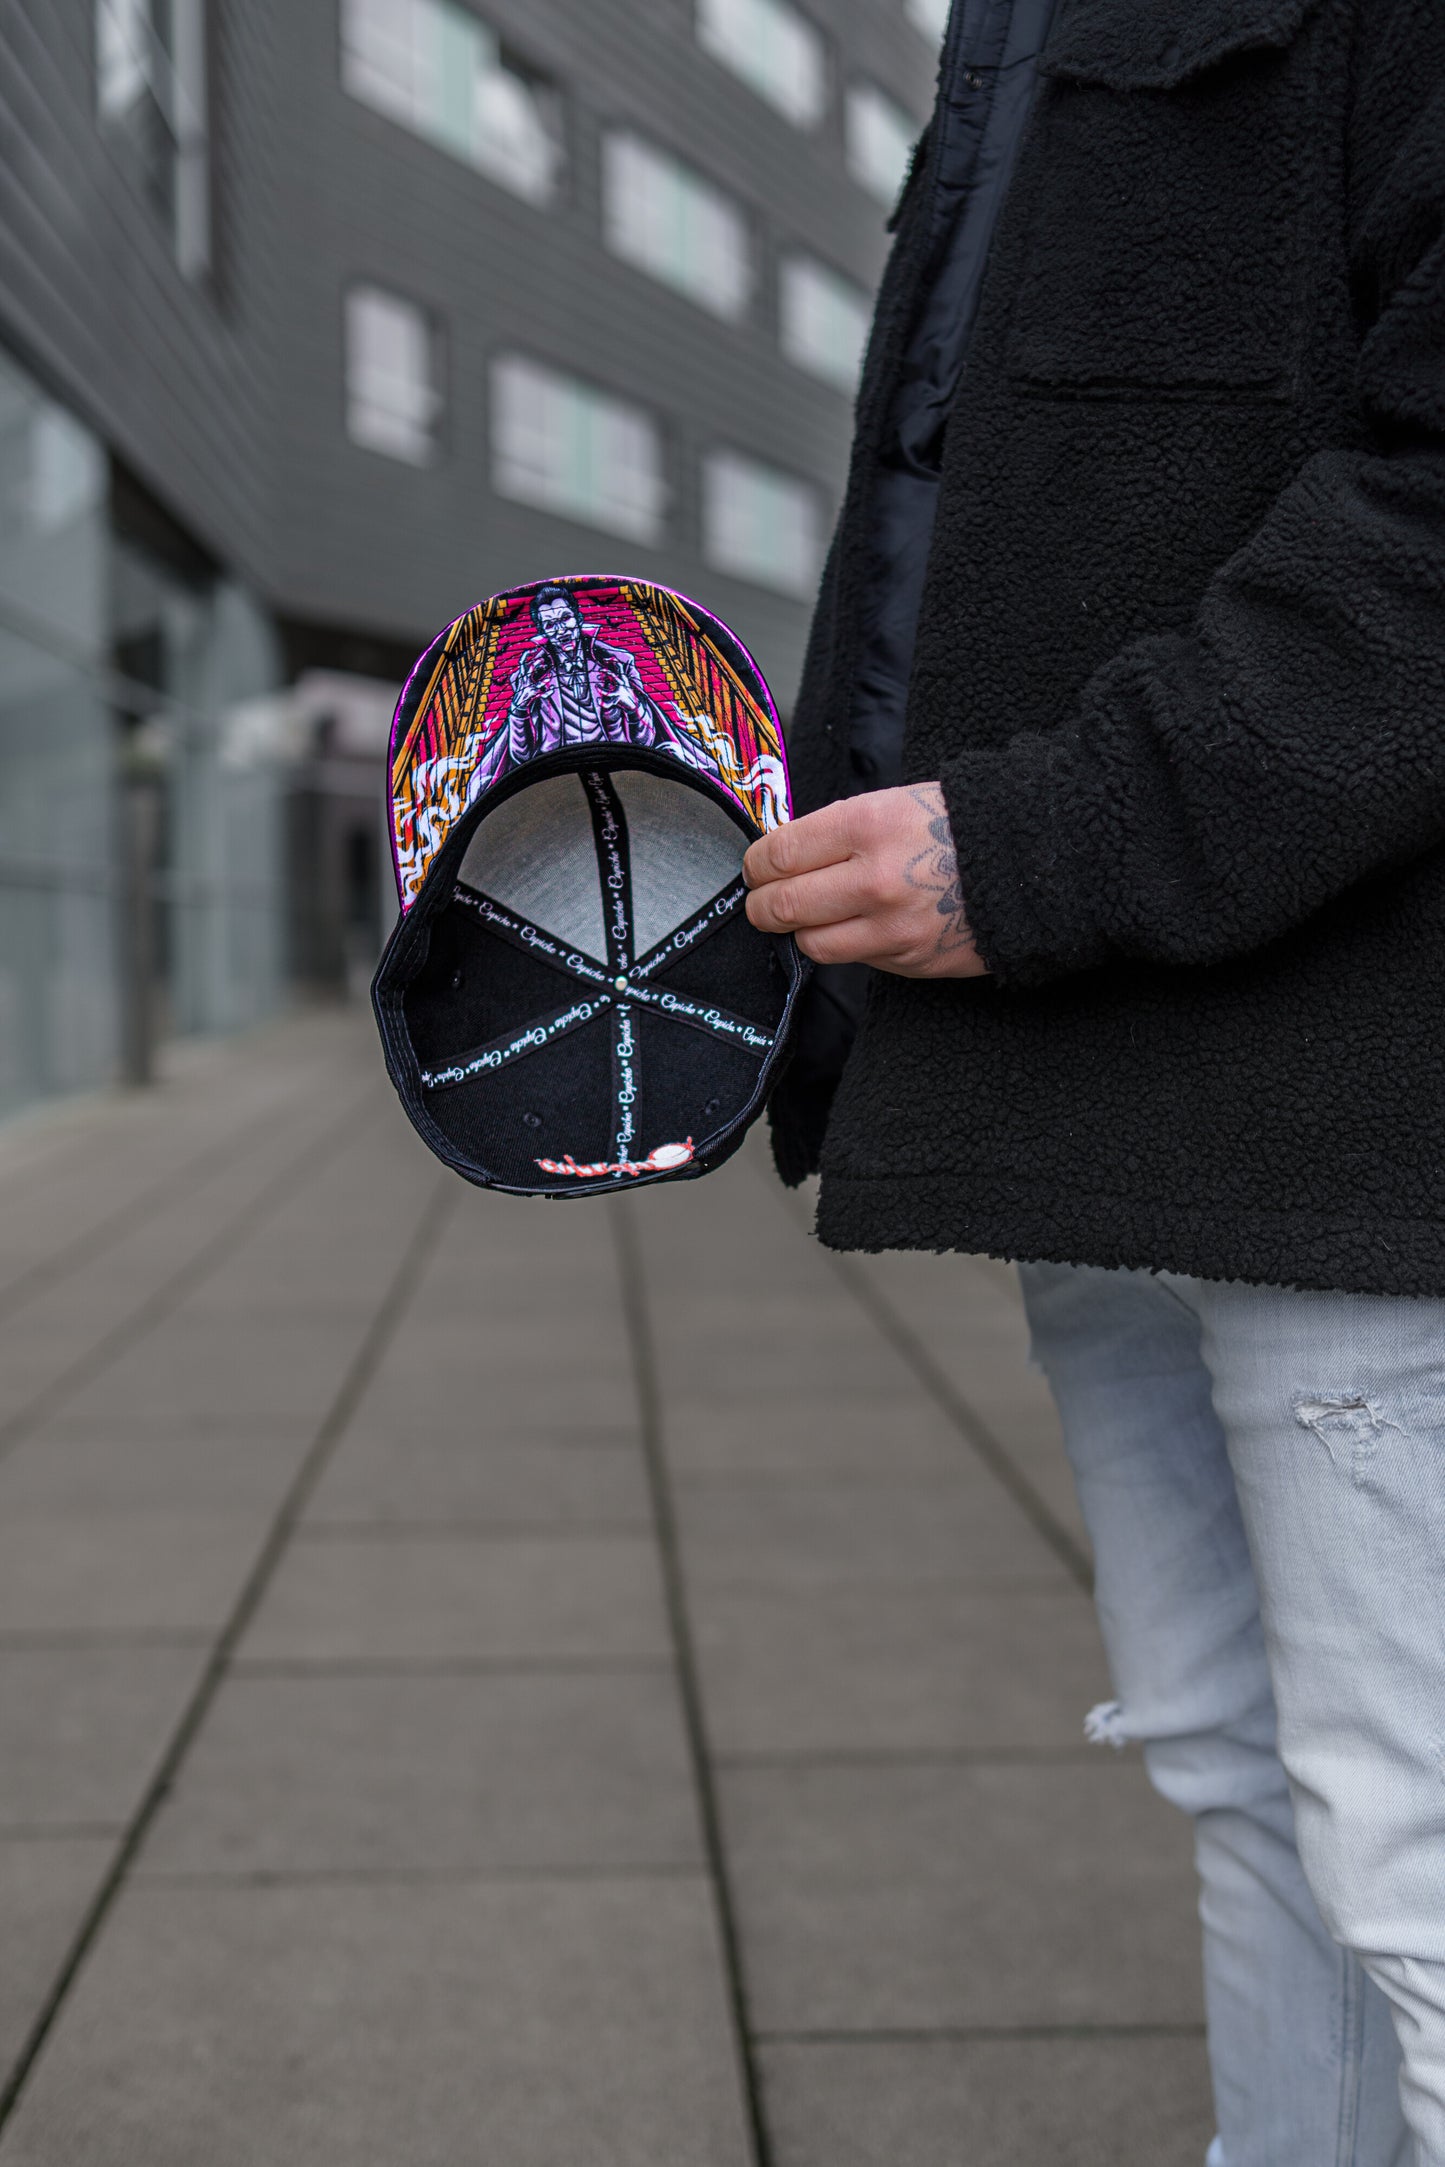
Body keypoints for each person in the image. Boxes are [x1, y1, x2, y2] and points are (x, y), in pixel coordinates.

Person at [741, 0, 1445, 2158]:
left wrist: (1046, 840)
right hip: (1084, 1027)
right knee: (1246, 1772)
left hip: (1343, 1060)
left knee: (1413, 1839)